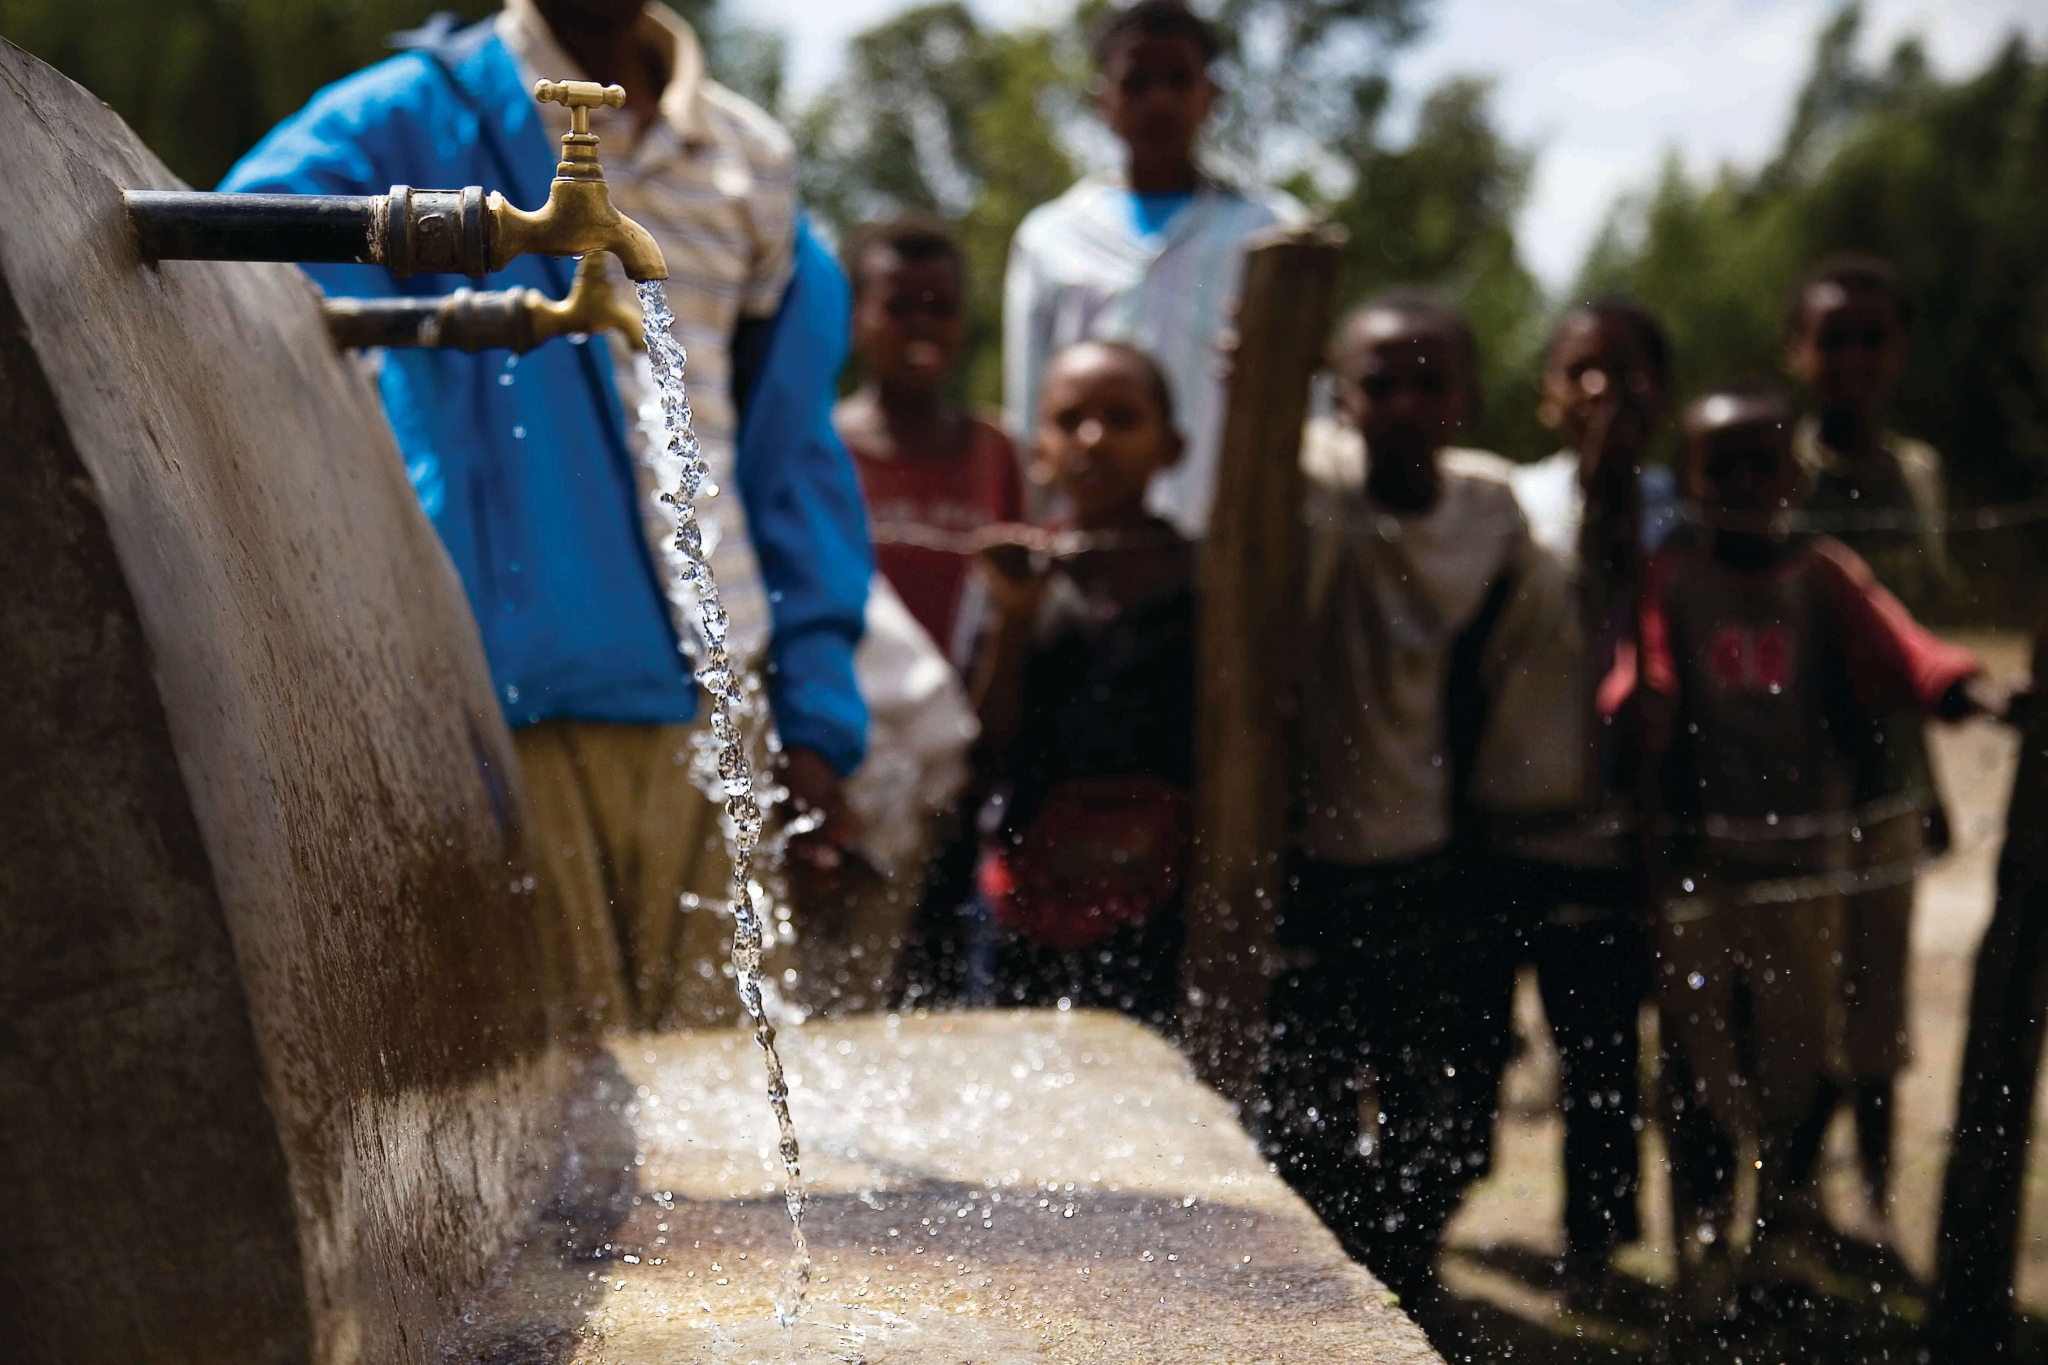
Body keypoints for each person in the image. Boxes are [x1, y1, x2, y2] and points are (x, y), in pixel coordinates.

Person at [220, 0, 871, 1030]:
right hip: (507, 696)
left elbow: (791, 451)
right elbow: (231, 266)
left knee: (731, 1088)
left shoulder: (746, 160)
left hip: (722, 688)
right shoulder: (415, 119)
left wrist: (818, 710)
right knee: (557, 1093)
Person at [1609, 383, 1997, 1313]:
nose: (1744, 482)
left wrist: (1972, 691)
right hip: (1699, 863)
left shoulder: (1821, 572)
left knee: (1798, 1052)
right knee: (1699, 1055)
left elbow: (1905, 647)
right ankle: (1707, 1234)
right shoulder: (1672, 574)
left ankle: (1781, 1225)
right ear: (1691, 478)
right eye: (1722, 466)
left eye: (1762, 463)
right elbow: (1641, 662)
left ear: (1792, 475)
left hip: (1803, 861)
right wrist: (1634, 702)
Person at [1263, 290, 1553, 1307]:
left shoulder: (1489, 514)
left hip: (1434, 846)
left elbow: (1498, 667)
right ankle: (1332, 1287)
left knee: (1440, 1100)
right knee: (1307, 1099)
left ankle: (1410, 1272)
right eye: (1377, 384)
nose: (1402, 405)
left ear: (1465, 398)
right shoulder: (1309, 486)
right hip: (1307, 851)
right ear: (1340, 398)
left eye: (1428, 383)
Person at [1497, 299, 1678, 1297]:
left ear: (1663, 391)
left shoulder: (1685, 512)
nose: (1601, 389)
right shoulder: (1510, 504)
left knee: (1601, 1055)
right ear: (1546, 395)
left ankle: (1597, 1244)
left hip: (1614, 838)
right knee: (1476, 1044)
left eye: (1625, 369)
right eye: (1579, 371)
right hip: (1501, 821)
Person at [1785, 254, 1960, 1215]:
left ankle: (1881, 1201)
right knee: (1805, 1004)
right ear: (1797, 351)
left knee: (1880, 1005)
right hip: (1796, 794)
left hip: (1894, 782)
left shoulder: (1918, 476)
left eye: (1872, 338)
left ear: (1900, 351)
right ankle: (1791, 1200)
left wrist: (1933, 790)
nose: (1853, 359)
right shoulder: (1776, 475)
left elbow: (1920, 632)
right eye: (1833, 339)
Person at [1002, 0, 1300, 538]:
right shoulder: (1050, 237)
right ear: (1102, 99)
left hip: (1228, 536)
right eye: (1136, 82)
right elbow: (1027, 408)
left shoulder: (1273, 232)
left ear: (1211, 95)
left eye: (1178, 80)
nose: (1158, 99)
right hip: (1088, 543)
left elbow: (1305, 404)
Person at [964, 341, 1195, 1025]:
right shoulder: (1018, 572)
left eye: (1123, 419)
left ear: (1171, 447)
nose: (1094, 439)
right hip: (1031, 901)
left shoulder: (1201, 580)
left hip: (1164, 910)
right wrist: (1015, 620)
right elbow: (986, 745)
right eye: (1070, 421)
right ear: (1040, 450)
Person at [837, 215, 1025, 666]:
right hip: (858, 698)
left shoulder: (996, 450)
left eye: (941, 308)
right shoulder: (824, 448)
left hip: (974, 701)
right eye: (898, 308)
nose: (922, 325)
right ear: (854, 320)